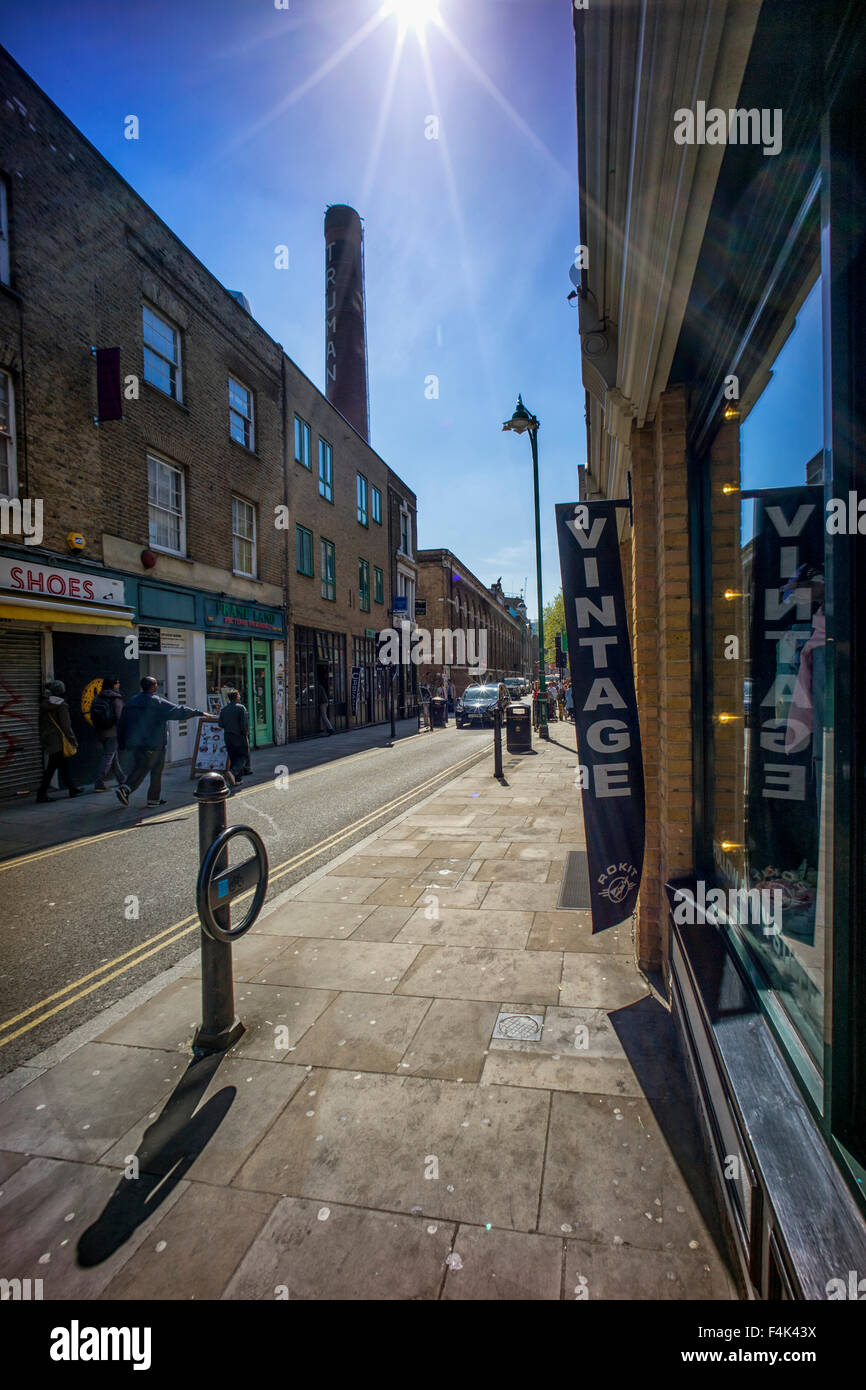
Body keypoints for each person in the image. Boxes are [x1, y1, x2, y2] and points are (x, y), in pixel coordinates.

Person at [115, 676, 212, 807]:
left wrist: (122, 742)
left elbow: (122, 724)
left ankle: (150, 797)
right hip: (154, 743)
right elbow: (178, 711)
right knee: (154, 770)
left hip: (136, 743)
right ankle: (129, 790)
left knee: (141, 767)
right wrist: (199, 713)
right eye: (155, 684)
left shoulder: (131, 702)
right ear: (153, 686)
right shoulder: (157, 702)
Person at [36, 680, 82, 802]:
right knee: (52, 767)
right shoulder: (61, 705)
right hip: (59, 740)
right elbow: (66, 726)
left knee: (62, 765)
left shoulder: (45, 704)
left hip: (49, 738)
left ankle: (72, 788)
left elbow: (41, 723)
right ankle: (41, 794)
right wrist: (73, 740)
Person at [90, 676, 124, 791]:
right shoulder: (115, 698)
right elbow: (120, 717)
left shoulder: (97, 697)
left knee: (112, 756)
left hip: (100, 731)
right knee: (108, 757)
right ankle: (99, 783)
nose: (119, 684)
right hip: (113, 732)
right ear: (114, 684)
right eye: (118, 682)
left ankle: (122, 779)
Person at [218, 688, 250, 787]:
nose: (239, 697)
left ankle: (237, 779)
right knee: (244, 756)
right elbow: (244, 724)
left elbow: (221, 724)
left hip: (228, 736)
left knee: (233, 757)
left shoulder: (224, 710)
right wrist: (246, 734)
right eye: (239, 695)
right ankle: (232, 772)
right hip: (239, 736)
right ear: (236, 697)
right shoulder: (241, 708)